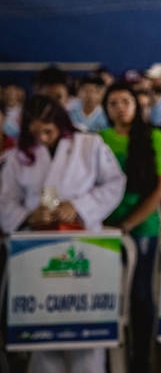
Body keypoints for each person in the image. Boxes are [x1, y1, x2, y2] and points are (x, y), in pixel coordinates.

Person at [0, 95, 126, 373]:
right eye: (35, 132)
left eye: (48, 130)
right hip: (38, 247)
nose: (42, 138)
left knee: (87, 327)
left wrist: (79, 206)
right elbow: (5, 201)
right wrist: (29, 215)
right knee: (44, 327)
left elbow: (115, 183)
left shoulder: (90, 145)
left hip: (84, 243)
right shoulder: (18, 156)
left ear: (60, 123)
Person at [100, 82, 161, 373]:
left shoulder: (155, 137)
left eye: (126, 102)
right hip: (105, 225)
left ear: (137, 105)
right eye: (113, 103)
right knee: (107, 291)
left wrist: (129, 223)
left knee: (140, 293)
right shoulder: (99, 139)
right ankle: (108, 356)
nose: (120, 108)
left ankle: (141, 357)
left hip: (143, 225)